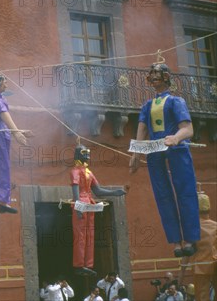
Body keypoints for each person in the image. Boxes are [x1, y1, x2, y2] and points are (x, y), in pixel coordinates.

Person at [129, 63, 200, 258]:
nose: (154, 78)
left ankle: (190, 238)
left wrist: (176, 138)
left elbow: (188, 129)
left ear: (166, 77)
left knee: (185, 190)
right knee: (163, 195)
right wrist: (136, 153)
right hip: (155, 150)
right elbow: (142, 129)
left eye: (157, 75)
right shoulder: (147, 106)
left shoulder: (176, 102)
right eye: (151, 75)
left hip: (176, 148)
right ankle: (176, 241)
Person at [71, 145, 127, 276]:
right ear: (78, 154)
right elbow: (75, 192)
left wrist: (114, 192)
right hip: (82, 204)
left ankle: (88, 265)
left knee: (90, 235)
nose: (87, 155)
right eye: (84, 152)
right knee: (80, 236)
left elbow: (98, 190)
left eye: (88, 152)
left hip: (90, 204)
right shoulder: (75, 171)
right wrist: (77, 206)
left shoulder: (89, 172)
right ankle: (79, 265)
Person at [0, 74, 33, 214]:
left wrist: (20, 131)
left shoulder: (0, 98)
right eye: (5, 83)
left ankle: (4, 200)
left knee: (6, 165)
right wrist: (17, 133)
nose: (6, 85)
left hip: (4, 132)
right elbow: (4, 117)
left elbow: (7, 120)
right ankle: (3, 201)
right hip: (1, 133)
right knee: (4, 165)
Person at [179, 193, 216, 301]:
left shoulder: (192, 228)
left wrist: (181, 273)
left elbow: (187, 252)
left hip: (200, 266)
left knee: (202, 296)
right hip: (215, 264)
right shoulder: (215, 225)